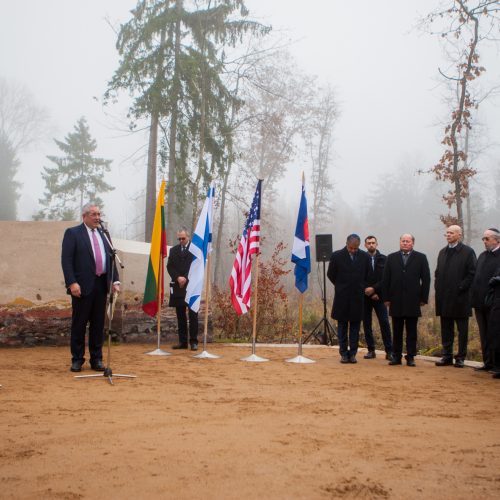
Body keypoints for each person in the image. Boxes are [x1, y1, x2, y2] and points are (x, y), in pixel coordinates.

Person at [61, 203, 120, 372]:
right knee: (79, 323)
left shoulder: (104, 233)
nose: (97, 217)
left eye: (98, 214)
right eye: (93, 214)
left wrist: (115, 280)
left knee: (98, 324)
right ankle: (77, 359)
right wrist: (72, 282)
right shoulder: (73, 233)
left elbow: (111, 257)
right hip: (81, 286)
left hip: (101, 285)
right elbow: (66, 260)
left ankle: (97, 359)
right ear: (84, 216)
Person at [382, 234, 430, 367]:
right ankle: (396, 356)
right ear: (399, 242)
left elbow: (426, 279)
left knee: (411, 331)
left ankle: (410, 356)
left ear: (412, 243)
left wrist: (423, 298)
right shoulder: (391, 257)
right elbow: (385, 279)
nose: (404, 243)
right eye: (402, 241)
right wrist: (386, 298)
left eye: (407, 241)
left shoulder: (421, 257)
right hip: (395, 300)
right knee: (396, 330)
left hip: (413, 300)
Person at [434, 225, 476, 368]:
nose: (448, 235)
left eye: (451, 233)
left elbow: (472, 274)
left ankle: (460, 357)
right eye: (447, 233)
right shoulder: (442, 252)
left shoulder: (468, 252)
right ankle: (447, 356)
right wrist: (437, 289)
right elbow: (438, 273)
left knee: (462, 330)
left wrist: (460, 288)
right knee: (446, 329)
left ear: (459, 235)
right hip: (444, 298)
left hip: (460, 298)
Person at [327, 234, 369, 364]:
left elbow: (367, 274)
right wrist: (341, 285)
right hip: (342, 297)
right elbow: (331, 274)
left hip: (357, 297)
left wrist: (361, 286)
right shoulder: (336, 256)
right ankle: (344, 353)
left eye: (356, 248)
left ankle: (353, 354)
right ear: (346, 244)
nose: (353, 250)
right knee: (342, 327)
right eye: (351, 248)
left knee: (355, 327)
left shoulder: (364, 256)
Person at [470, 228, 500, 371]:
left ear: (496, 240)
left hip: (494, 302)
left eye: (487, 239)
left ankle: (496, 364)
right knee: (484, 334)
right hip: (479, 302)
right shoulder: (482, 256)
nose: (484, 241)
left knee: (494, 333)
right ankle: (487, 362)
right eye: (483, 239)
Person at [167, 227, 199, 351]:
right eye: (179, 238)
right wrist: (177, 277)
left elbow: (196, 267)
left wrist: (185, 278)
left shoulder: (195, 250)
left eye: (183, 238)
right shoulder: (173, 250)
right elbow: (170, 266)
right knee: (180, 315)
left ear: (188, 237)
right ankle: (183, 341)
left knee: (193, 315)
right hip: (178, 285)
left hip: (191, 285)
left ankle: (194, 342)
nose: (181, 240)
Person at [362, 235, 393, 360]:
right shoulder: (361, 259)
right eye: (368, 243)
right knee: (366, 324)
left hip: (380, 297)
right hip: (365, 296)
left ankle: (389, 351)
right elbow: (359, 277)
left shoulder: (384, 259)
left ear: (377, 244)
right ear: (365, 245)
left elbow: (386, 279)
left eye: (373, 243)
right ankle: (371, 350)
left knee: (384, 323)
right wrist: (367, 290)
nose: (371, 245)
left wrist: (374, 290)